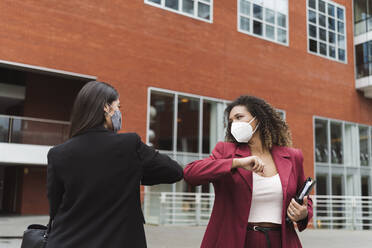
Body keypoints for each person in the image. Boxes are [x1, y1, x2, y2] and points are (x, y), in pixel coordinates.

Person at [46, 81, 183, 248]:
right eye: (118, 106)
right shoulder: (128, 144)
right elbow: (174, 171)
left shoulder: (57, 154)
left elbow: (55, 208)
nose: (119, 112)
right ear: (106, 108)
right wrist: (132, 174)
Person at [184, 95, 313, 248]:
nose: (234, 124)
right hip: (237, 240)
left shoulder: (292, 156)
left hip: (281, 240)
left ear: (258, 119)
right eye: (231, 121)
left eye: (239, 117)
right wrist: (236, 163)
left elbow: (305, 200)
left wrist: (303, 213)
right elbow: (190, 173)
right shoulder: (225, 151)